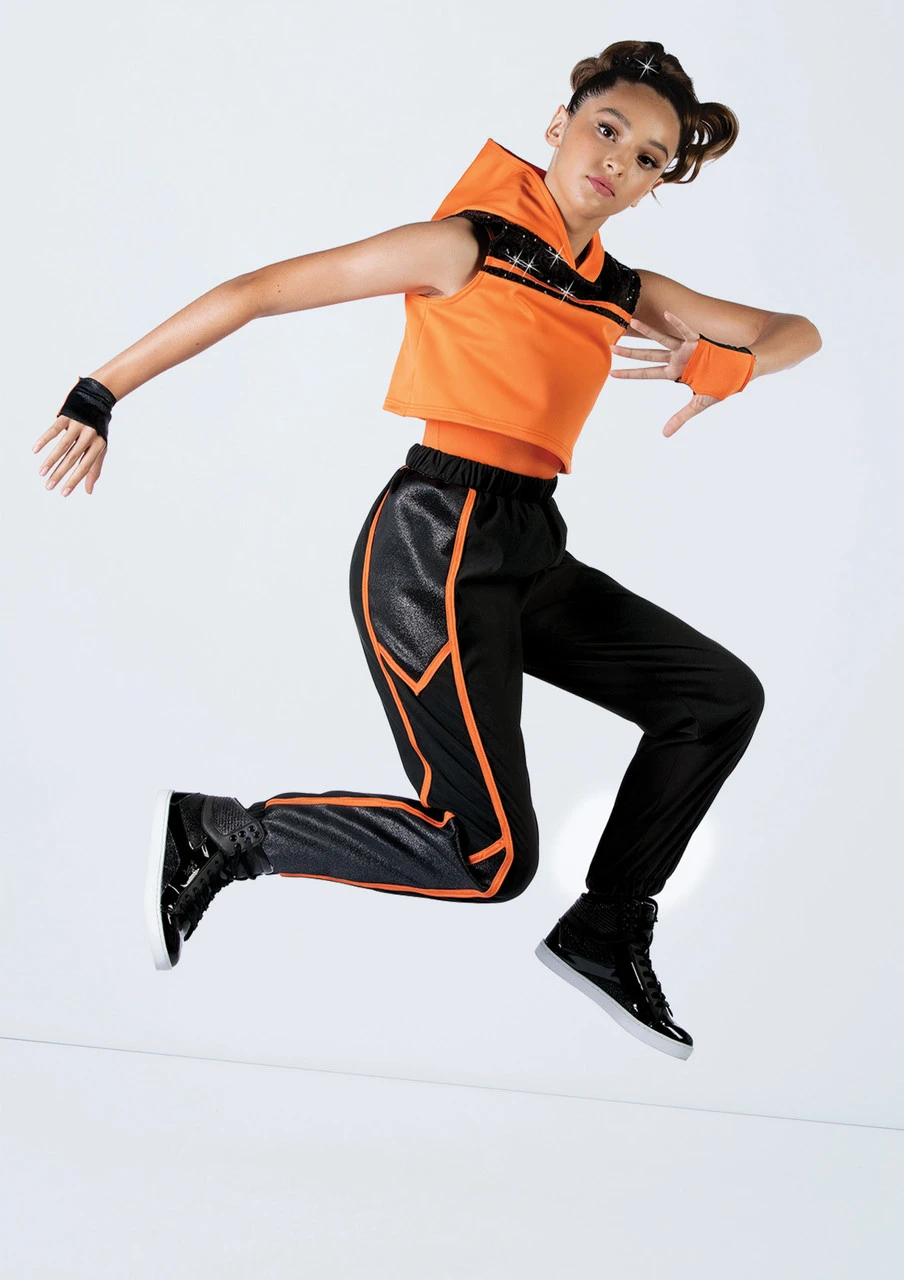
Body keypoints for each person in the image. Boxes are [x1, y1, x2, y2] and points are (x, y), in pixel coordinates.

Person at [33, 40, 821, 1059]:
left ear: (652, 186)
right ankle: (222, 834)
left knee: (715, 698)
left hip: (527, 546)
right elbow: (260, 289)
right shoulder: (463, 246)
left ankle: (608, 924)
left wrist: (719, 365)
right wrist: (98, 392)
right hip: (432, 545)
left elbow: (795, 331)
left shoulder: (622, 290)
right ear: (559, 126)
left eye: (647, 159)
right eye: (606, 129)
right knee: (487, 856)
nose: (616, 161)